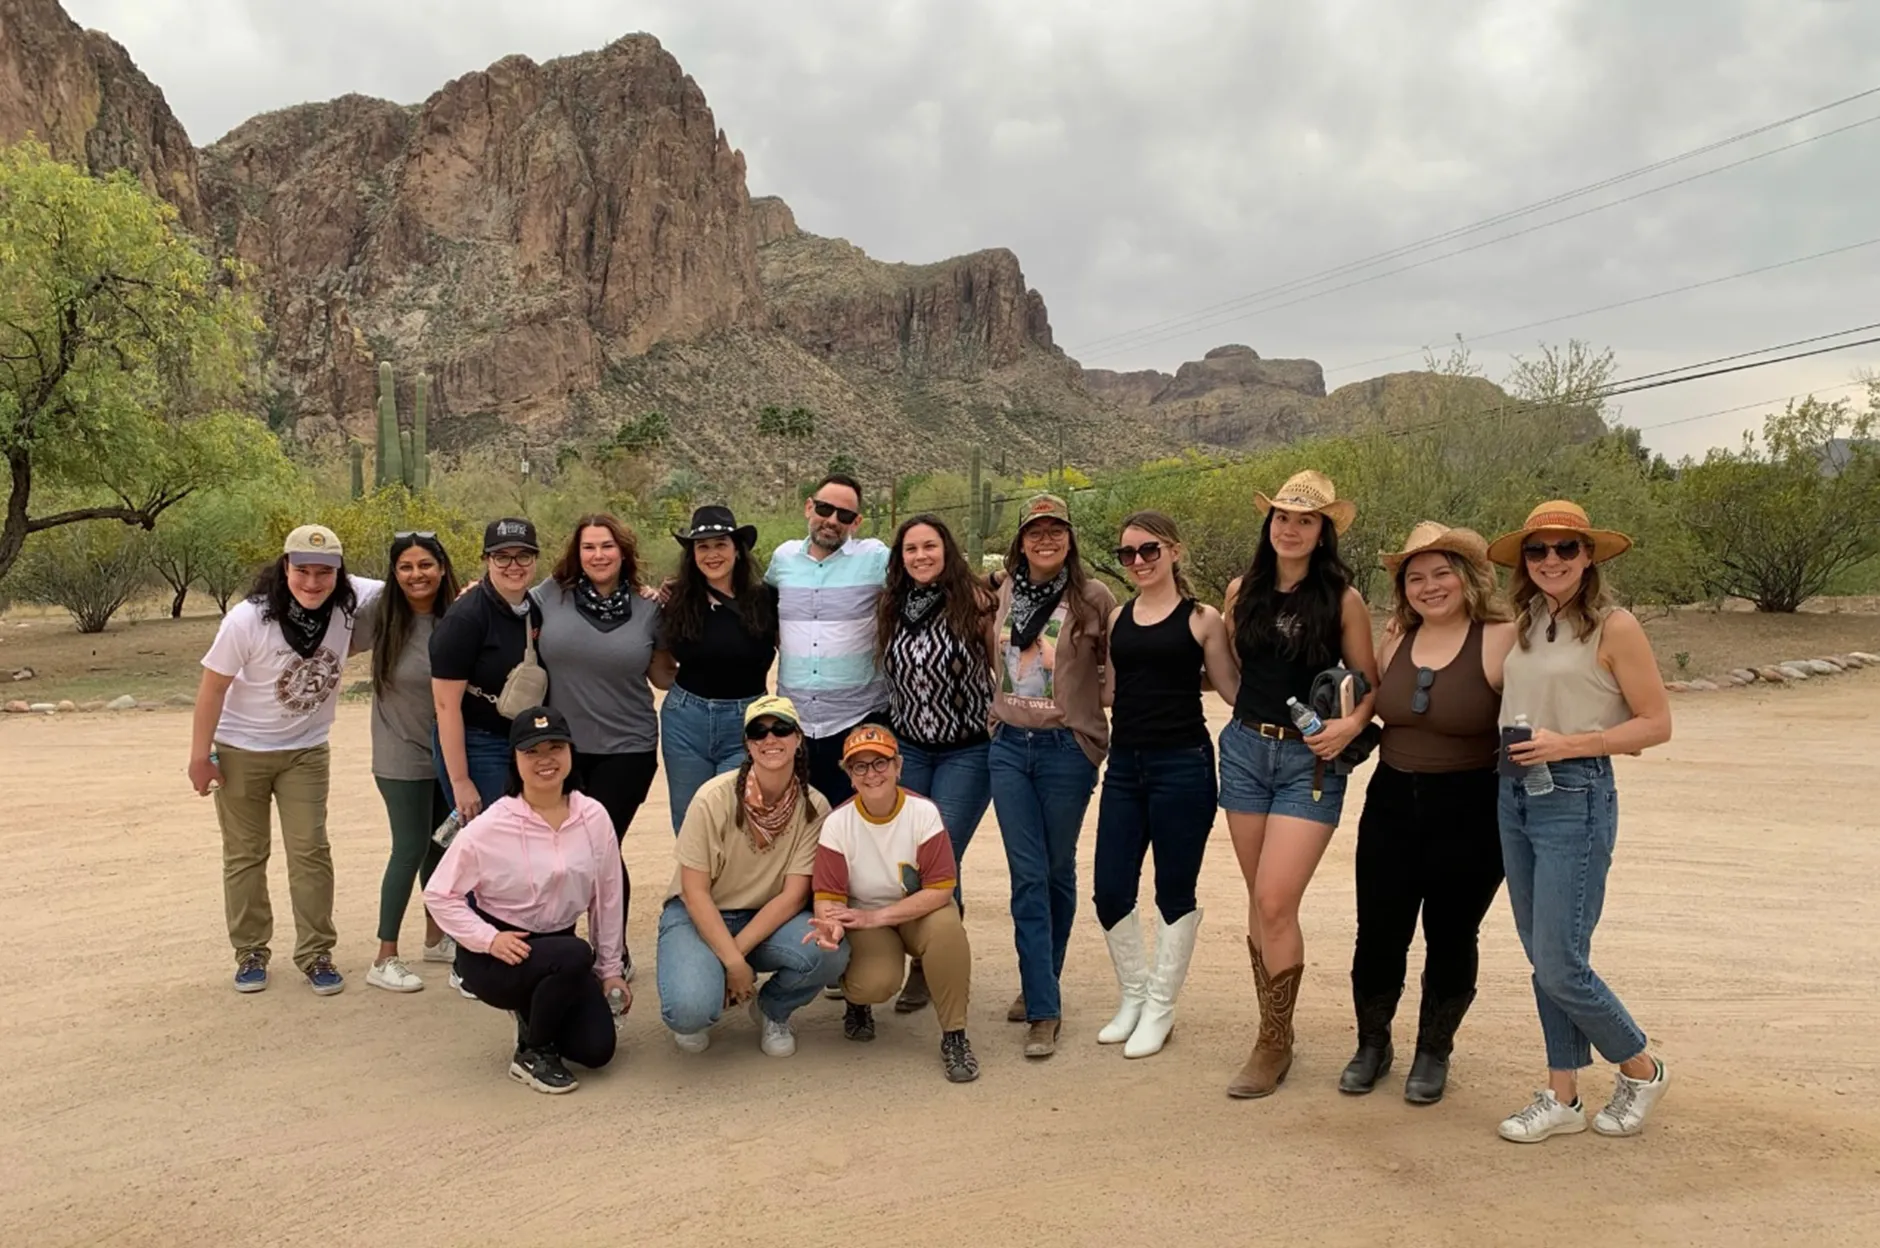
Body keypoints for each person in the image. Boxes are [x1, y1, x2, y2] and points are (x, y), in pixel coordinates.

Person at [1485, 501, 1673, 1143]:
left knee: (1562, 960)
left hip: (1576, 792)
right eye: (1538, 551)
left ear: (1589, 556)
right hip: (1515, 793)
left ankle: (1641, 1067)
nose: (1552, 561)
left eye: (1566, 549)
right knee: (1543, 956)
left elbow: (1656, 723)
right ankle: (1562, 1097)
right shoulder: (1528, 621)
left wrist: (1568, 745)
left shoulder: (1615, 626)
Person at [1340, 523, 1516, 1102]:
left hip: (1469, 805)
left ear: (1468, 578)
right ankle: (1373, 1043)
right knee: (1379, 930)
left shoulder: (1501, 638)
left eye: (1442, 573)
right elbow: (1374, 710)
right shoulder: (1394, 640)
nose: (1429, 586)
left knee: (1451, 933)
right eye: (1415, 577)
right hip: (1391, 799)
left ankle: (1433, 1050)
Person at [1220, 470, 1379, 1099]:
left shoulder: (1344, 599)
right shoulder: (1242, 590)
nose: (1290, 528)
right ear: (1270, 524)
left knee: (1277, 901)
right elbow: (1236, 666)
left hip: (1307, 763)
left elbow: (1368, 684)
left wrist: (1348, 728)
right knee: (1260, 899)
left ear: (1323, 532)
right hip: (1243, 752)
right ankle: (1274, 1032)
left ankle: (1273, 1042)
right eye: (1283, 516)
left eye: (1305, 520)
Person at [186, 524, 381, 994]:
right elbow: (212, 688)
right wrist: (200, 757)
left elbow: (416, 581)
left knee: (311, 850)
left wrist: (463, 594)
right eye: (302, 571)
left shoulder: (353, 598)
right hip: (240, 751)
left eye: (324, 573)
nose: (313, 583)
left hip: (306, 750)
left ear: (340, 573)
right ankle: (250, 950)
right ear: (284, 568)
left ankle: (316, 952)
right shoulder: (247, 620)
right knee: (246, 855)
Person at [1093, 511, 1240, 1058]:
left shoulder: (1203, 619)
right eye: (1127, 554)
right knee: (1110, 888)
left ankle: (1160, 1005)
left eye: (1148, 550)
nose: (1137, 562)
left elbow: (1230, 689)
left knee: (1173, 891)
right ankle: (1133, 995)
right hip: (1126, 766)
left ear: (1174, 551)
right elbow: (1109, 690)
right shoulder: (1116, 618)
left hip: (1184, 764)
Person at [424, 705, 629, 1094]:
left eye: (555, 747)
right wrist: (488, 939)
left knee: (597, 1049)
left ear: (570, 752)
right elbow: (439, 894)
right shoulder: (489, 826)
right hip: (498, 955)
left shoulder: (594, 816)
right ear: (514, 759)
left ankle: (536, 1011)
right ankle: (532, 1052)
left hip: (559, 949)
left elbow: (608, 896)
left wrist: (611, 969)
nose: (544, 760)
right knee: (572, 954)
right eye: (531, 751)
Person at [988, 493, 1118, 1058]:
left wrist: (1091, 726)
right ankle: (1044, 1003)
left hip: (1067, 749)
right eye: (1035, 531)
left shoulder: (1093, 597)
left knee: (1056, 868)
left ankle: (1042, 988)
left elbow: (1116, 670)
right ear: (1020, 540)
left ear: (1070, 538)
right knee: (1029, 873)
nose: (1046, 540)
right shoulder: (1001, 591)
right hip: (1009, 746)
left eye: (1056, 531)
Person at [657, 695, 848, 1056]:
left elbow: (793, 896)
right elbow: (694, 891)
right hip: (699, 913)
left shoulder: (814, 806)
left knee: (829, 953)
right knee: (690, 1012)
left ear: (798, 740)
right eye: (758, 732)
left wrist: (735, 960)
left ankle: (771, 1010)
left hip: (766, 918)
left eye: (781, 729)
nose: (770, 739)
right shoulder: (712, 798)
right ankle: (703, 1001)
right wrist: (731, 962)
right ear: (747, 744)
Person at [533, 513, 674, 976]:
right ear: (577, 554)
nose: (598, 555)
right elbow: (504, 603)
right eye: (589, 547)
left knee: (600, 848)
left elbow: (660, 676)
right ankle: (564, 947)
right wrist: (476, 589)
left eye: (607, 546)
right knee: (565, 851)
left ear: (624, 552)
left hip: (627, 748)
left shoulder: (648, 608)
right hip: (561, 749)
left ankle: (611, 951)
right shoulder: (551, 596)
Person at [806, 724, 980, 1083]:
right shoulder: (838, 823)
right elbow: (827, 897)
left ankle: (955, 1035)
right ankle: (857, 1002)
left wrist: (877, 917)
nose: (872, 774)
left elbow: (941, 890)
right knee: (877, 983)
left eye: (881, 763)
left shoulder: (923, 813)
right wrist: (831, 926)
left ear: (899, 766)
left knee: (948, 928)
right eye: (860, 766)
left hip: (913, 911)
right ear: (849, 775)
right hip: (866, 916)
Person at [875, 512, 998, 1015]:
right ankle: (932, 954)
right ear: (900, 559)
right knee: (909, 854)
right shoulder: (889, 606)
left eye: (930, 546)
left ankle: (931, 965)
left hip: (968, 748)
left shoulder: (976, 603)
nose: (921, 556)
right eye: (911, 549)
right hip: (910, 750)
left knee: (939, 847)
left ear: (946, 550)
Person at [354, 531, 462, 993]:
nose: (416, 575)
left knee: (443, 845)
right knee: (410, 847)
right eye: (405, 567)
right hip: (400, 753)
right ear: (393, 575)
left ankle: (437, 937)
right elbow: (323, 628)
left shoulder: (458, 616)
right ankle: (385, 955)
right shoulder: (380, 616)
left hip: (448, 752)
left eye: (425, 565)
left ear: (442, 568)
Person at [765, 473, 891, 807]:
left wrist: (995, 581)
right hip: (796, 725)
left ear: (857, 522)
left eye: (845, 515)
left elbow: (930, 573)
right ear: (809, 507)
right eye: (824, 508)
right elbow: (752, 600)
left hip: (857, 722)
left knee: (859, 830)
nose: (832, 520)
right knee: (801, 836)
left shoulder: (875, 558)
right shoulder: (783, 559)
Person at [659, 505, 779, 832]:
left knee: (736, 818)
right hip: (686, 721)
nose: (712, 554)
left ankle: (731, 885)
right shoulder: (676, 600)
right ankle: (693, 885)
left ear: (737, 550)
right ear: (692, 555)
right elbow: (660, 662)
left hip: (745, 722)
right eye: (703, 546)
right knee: (690, 820)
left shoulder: (765, 600)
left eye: (720, 544)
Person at [431, 517, 544, 821]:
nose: (514, 565)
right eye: (502, 557)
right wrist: (461, 781)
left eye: (523, 556)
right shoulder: (465, 619)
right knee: (496, 840)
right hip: (476, 743)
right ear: (486, 560)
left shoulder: (532, 609)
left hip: (520, 742)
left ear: (535, 560)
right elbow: (445, 705)